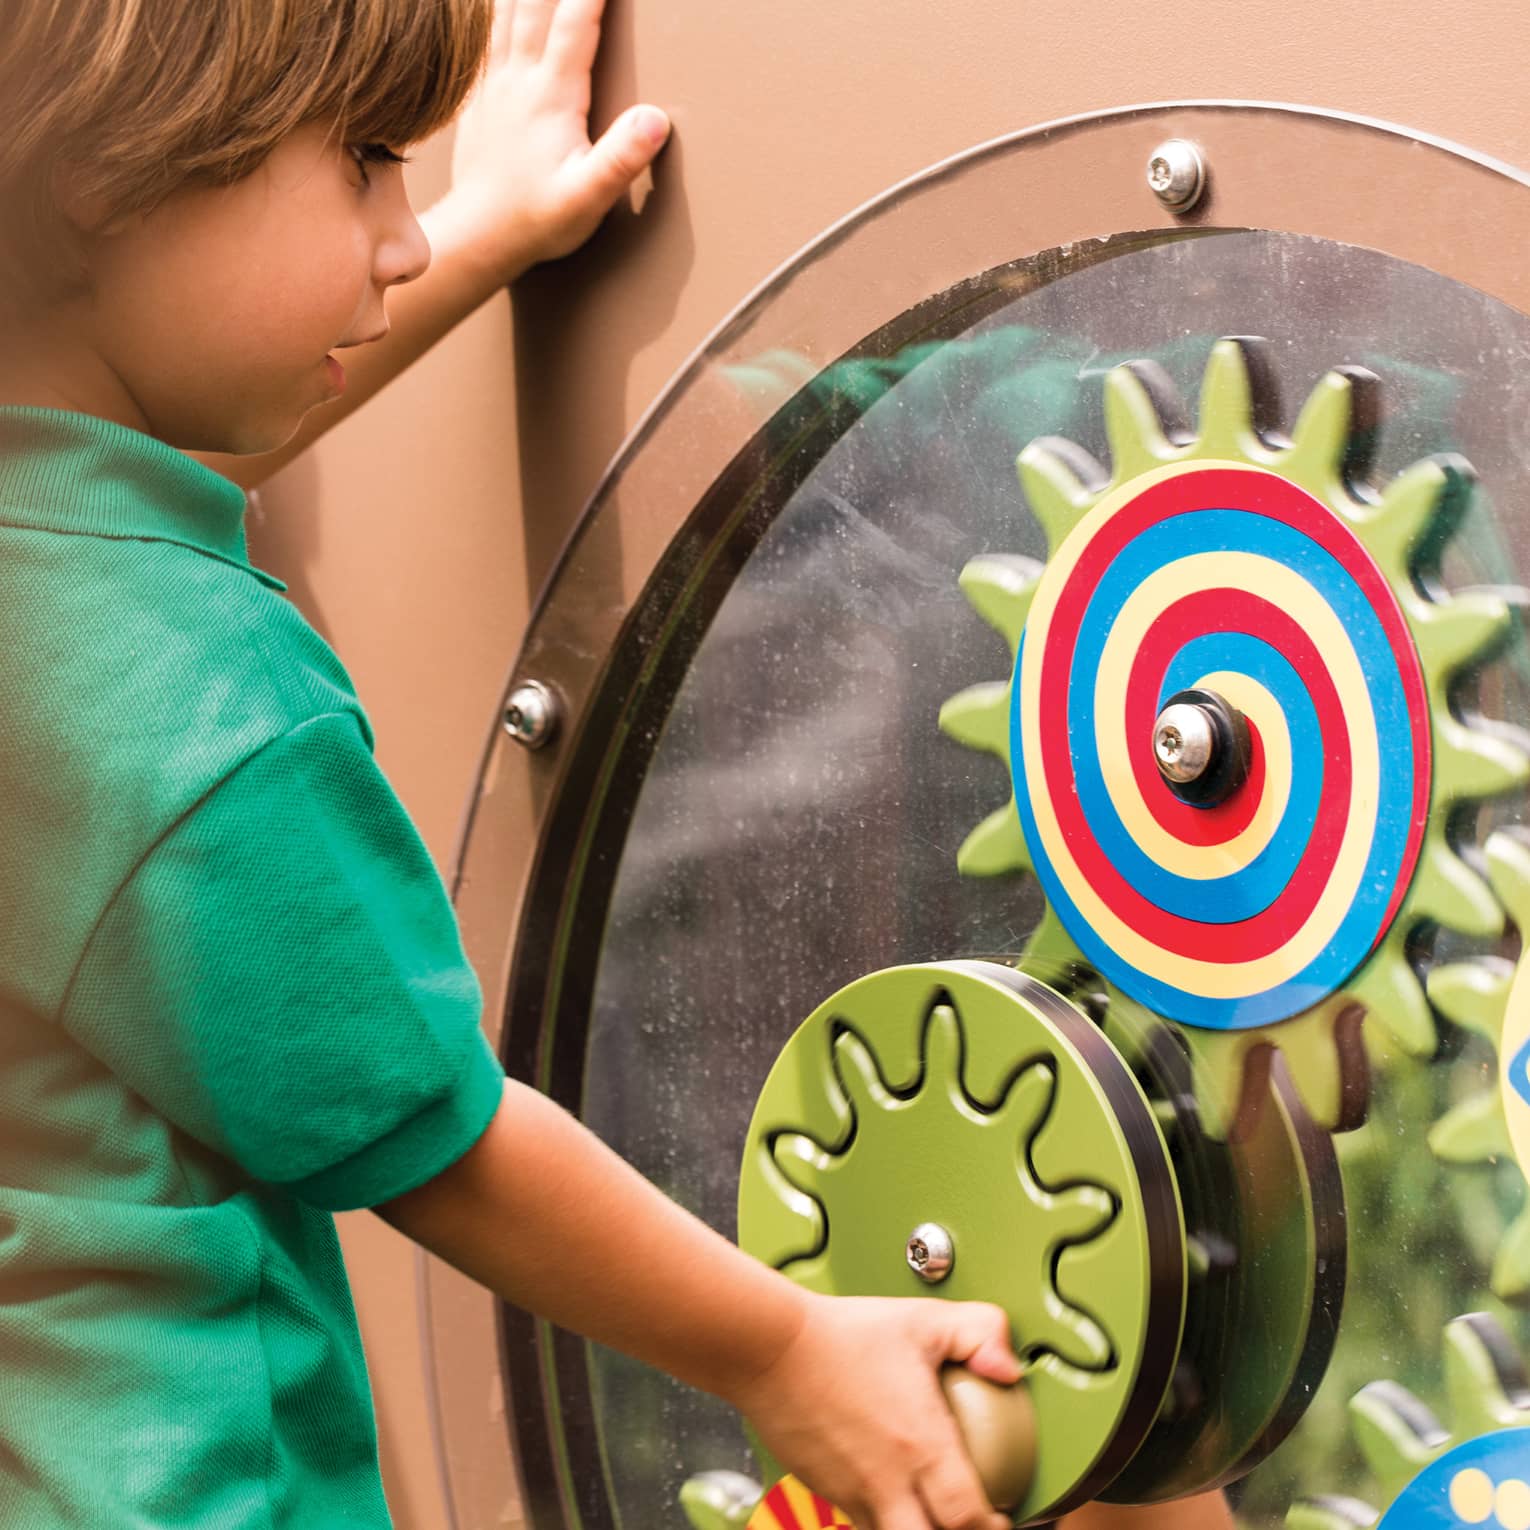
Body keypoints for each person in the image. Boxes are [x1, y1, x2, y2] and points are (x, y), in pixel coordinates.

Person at [0, 3, 1025, 1528]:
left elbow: (109, 491)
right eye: (360, 165)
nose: (404, 241)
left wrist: (492, 229)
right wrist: (786, 1343)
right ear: (101, 173)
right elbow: (440, 1140)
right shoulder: (209, 714)